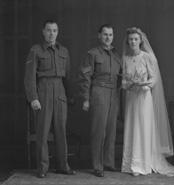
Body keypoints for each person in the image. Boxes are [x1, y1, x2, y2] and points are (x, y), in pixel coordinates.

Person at [121, 27, 174, 177]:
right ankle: (131, 164)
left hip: (144, 96)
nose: (133, 41)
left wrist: (144, 84)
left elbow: (154, 78)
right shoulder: (125, 58)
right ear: (127, 41)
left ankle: (143, 164)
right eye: (131, 39)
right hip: (131, 98)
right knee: (132, 127)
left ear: (140, 41)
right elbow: (123, 81)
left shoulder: (148, 57)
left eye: (136, 39)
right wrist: (129, 84)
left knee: (143, 127)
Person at [24, 20, 76, 178]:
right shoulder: (36, 50)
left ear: (58, 32)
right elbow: (29, 77)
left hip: (60, 92)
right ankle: (42, 168)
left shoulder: (64, 51)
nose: (51, 33)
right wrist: (33, 97)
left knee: (61, 131)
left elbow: (67, 77)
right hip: (43, 91)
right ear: (43, 32)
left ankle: (62, 165)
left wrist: (70, 95)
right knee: (43, 132)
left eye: (54, 30)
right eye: (48, 30)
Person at [78, 24, 122, 177]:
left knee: (111, 130)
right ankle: (98, 165)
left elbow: (120, 77)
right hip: (98, 91)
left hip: (113, 93)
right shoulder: (93, 54)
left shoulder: (117, 55)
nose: (108, 37)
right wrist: (86, 99)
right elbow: (85, 77)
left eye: (110, 34)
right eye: (105, 34)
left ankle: (109, 163)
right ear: (99, 36)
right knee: (99, 131)